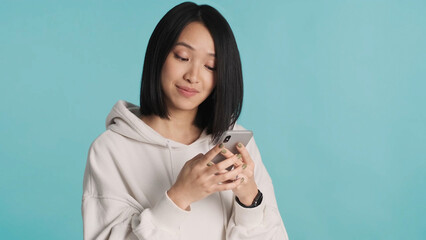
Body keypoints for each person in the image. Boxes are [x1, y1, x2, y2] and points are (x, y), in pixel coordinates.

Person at [82, 2, 289, 239]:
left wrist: (249, 200)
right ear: (158, 56)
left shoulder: (236, 148)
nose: (193, 76)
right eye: (182, 57)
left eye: (210, 66)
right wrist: (179, 198)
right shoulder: (111, 150)